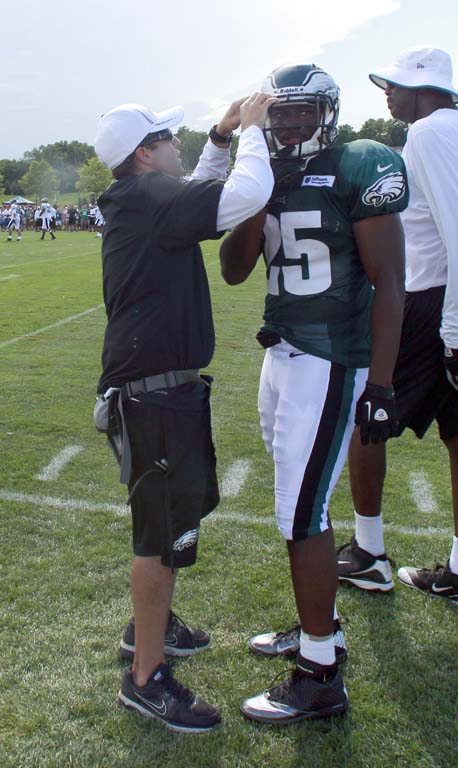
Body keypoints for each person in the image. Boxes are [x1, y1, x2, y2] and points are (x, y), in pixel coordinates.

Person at [219, 63, 407, 724]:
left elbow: (389, 279)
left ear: (327, 113)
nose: (291, 123)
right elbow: (236, 270)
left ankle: (320, 674)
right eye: (281, 113)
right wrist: (256, 201)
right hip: (283, 350)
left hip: (330, 356)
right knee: (299, 502)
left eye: (304, 112)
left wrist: (380, 383)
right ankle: (318, 626)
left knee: (299, 513)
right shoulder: (267, 172)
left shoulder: (358, 162)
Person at [93, 93, 276, 733]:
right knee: (160, 537)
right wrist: (251, 133)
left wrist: (220, 138)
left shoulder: (144, 198)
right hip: (154, 394)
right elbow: (243, 196)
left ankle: (152, 627)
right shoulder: (147, 199)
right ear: (146, 152)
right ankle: (144, 679)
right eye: (168, 137)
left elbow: (201, 187)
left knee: (173, 520)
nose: (177, 144)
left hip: (157, 388)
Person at [335, 46, 458, 612]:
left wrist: (455, 335)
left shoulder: (430, 134)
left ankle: (368, 551)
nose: (387, 93)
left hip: (439, 296)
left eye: (395, 84)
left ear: (422, 87)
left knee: (369, 411)